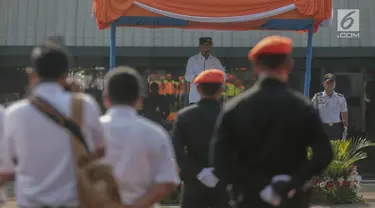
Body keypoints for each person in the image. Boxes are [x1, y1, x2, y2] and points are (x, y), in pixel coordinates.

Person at [209, 36, 333, 208]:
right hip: (291, 199)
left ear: (256, 67)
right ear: (289, 65)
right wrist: (293, 181)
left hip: (249, 200)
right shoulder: (303, 107)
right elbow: (324, 153)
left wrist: (254, 185)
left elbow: (220, 161)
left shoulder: (235, 108)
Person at [0, 40, 105, 207]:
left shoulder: (15, 113)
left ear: (32, 75)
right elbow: (100, 150)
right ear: (66, 75)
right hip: (75, 202)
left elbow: (6, 169)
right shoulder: (85, 105)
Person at [101, 66, 180, 208]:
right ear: (139, 100)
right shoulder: (155, 133)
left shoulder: (91, 131)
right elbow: (166, 182)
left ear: (106, 99)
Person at [172, 69, 231, 208]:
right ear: (221, 89)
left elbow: (176, 150)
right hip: (223, 182)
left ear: (198, 89)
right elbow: (237, 149)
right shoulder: (230, 114)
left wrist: (197, 172)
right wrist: (220, 173)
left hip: (194, 183)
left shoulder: (184, 116)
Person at [185, 37, 225, 104]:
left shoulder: (215, 61)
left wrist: (214, 77)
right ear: (200, 47)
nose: (207, 48)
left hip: (212, 99)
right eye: (205, 46)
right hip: (196, 98)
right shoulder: (193, 60)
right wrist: (199, 78)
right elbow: (187, 76)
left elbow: (223, 76)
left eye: (209, 46)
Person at [312, 73, 348, 139]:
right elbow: (312, 114)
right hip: (322, 128)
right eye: (328, 82)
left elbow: (344, 115)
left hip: (336, 129)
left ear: (335, 84)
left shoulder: (340, 97)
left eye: (332, 82)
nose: (330, 84)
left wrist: (345, 131)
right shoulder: (317, 97)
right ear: (323, 84)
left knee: (336, 149)